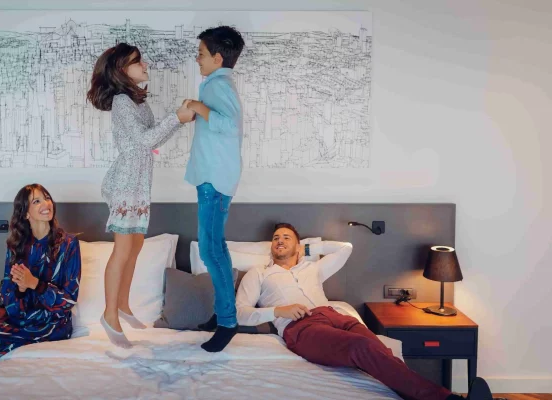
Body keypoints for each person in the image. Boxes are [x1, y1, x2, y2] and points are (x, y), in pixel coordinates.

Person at [235, 222, 494, 400]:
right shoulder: (259, 273)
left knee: (382, 350)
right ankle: (448, 399)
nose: (279, 241)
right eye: (275, 238)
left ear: (298, 246)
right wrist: (279, 310)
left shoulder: (312, 268)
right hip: (302, 326)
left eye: (285, 238)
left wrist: (309, 250)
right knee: (362, 347)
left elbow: (345, 247)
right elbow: (240, 313)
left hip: (336, 316)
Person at [87, 42, 195, 348]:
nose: (145, 65)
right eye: (138, 62)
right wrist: (177, 117)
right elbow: (143, 140)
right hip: (125, 184)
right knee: (123, 251)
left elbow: (152, 136)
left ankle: (122, 304)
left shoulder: (137, 102)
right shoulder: (122, 101)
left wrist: (181, 119)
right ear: (122, 70)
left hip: (137, 185)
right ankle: (109, 314)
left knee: (133, 247)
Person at [0, 184, 81, 399]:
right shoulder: (16, 246)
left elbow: (68, 301)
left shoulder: (69, 245)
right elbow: (6, 299)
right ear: (26, 213)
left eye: (46, 198)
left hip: (52, 326)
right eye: (36, 201)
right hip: (20, 321)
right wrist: (19, 289)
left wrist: (35, 284)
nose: (46, 204)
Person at [183, 26, 245, 352]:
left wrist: (195, 104)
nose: (198, 59)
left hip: (215, 180)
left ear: (218, 57)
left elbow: (228, 124)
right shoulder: (218, 85)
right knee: (214, 248)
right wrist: (198, 109)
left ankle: (228, 322)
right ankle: (224, 314)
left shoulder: (218, 85)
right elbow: (218, 124)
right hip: (214, 177)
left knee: (211, 250)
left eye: (202, 53)